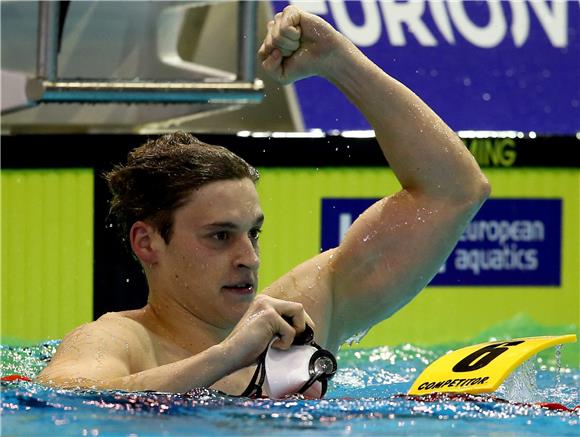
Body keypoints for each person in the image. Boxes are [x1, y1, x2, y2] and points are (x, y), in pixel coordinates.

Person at [37, 6, 490, 397]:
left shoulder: (299, 317)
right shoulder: (119, 340)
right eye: (220, 236)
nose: (249, 258)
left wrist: (340, 62)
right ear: (147, 243)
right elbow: (68, 398)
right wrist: (227, 356)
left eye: (252, 232)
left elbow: (453, 192)